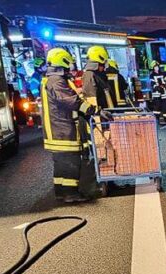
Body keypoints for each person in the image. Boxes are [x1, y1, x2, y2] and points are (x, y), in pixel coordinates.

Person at [41, 48, 111, 203]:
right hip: (62, 130)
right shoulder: (56, 81)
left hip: (59, 129)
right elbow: (72, 101)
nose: (70, 67)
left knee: (62, 164)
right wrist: (95, 111)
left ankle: (62, 192)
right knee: (70, 162)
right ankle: (69, 193)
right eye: (69, 63)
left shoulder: (53, 80)